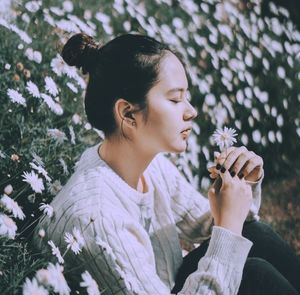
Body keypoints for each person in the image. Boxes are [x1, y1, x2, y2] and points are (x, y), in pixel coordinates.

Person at [33, 33, 300, 295]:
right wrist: (228, 225)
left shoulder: (150, 165)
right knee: (255, 274)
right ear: (128, 113)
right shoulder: (98, 218)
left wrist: (239, 186)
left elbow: (209, 223)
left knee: (255, 235)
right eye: (175, 99)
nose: (191, 111)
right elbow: (226, 232)